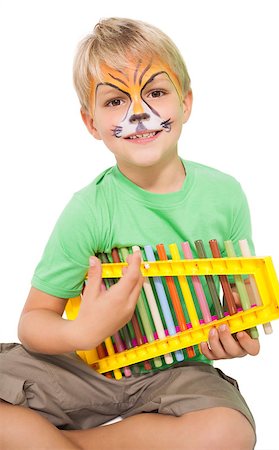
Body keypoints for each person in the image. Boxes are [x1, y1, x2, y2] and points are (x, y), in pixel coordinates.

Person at [0, 17, 260, 450]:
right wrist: (79, 333)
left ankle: (71, 443)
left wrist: (238, 334)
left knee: (229, 432)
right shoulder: (90, 209)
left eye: (155, 93)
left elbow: (238, 303)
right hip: (88, 367)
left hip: (178, 372)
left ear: (186, 102)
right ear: (91, 123)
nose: (139, 113)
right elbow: (33, 321)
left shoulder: (225, 195)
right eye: (116, 100)